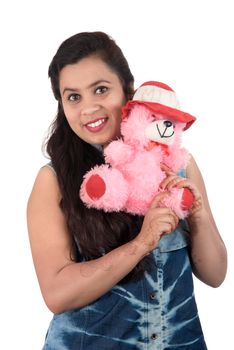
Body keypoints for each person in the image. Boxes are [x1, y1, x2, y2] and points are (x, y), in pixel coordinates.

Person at [27, 31, 227, 350]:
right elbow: (57, 293)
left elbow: (216, 275)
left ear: (128, 90)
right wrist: (142, 243)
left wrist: (199, 216)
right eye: (73, 96)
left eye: (101, 89)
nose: (89, 107)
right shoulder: (52, 180)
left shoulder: (179, 166)